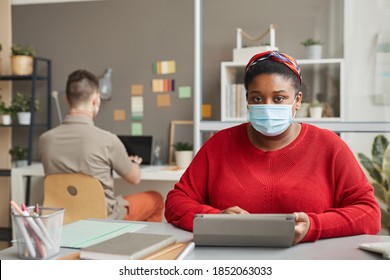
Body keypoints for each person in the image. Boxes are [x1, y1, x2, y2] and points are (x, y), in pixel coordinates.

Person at [164, 51, 381, 244]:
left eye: (279, 98)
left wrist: (313, 226)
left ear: (297, 101)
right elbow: (175, 203)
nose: (267, 106)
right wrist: (215, 218)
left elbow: (369, 214)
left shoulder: (329, 146)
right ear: (247, 100)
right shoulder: (219, 145)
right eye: (257, 98)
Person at [39, 69, 163, 222]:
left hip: (64, 219)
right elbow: (135, 179)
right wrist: (133, 164)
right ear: (96, 100)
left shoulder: (45, 140)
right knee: (156, 198)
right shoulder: (108, 140)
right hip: (104, 219)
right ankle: (138, 245)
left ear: (66, 99)